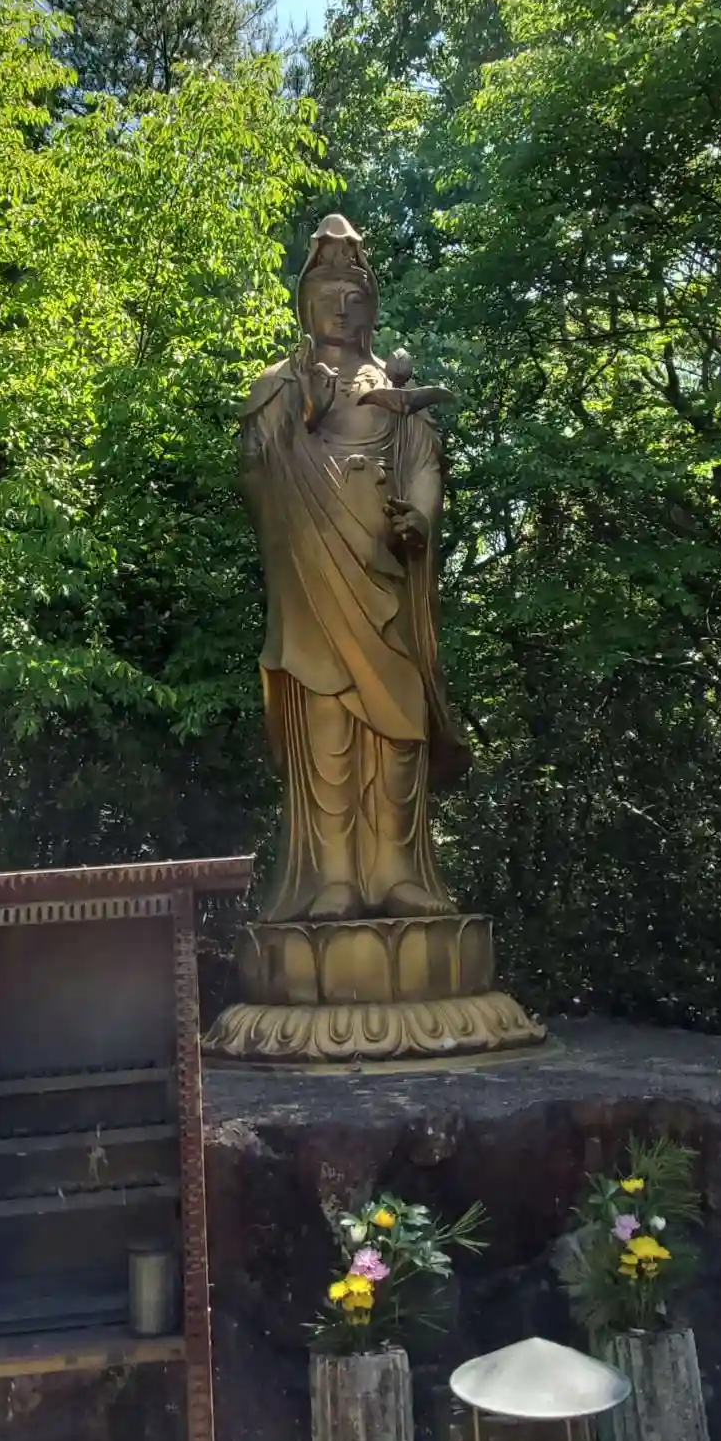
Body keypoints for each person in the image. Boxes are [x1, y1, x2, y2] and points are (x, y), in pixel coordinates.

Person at [238, 214, 469, 922]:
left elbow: (424, 463)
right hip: (314, 575)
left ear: (371, 306)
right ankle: (331, 876)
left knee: (398, 724)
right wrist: (297, 416)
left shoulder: (396, 388)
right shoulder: (279, 384)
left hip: (383, 571)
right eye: (327, 293)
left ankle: (396, 872)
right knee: (328, 719)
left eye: (354, 294)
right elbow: (255, 471)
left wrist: (419, 517)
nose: (341, 306)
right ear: (304, 304)